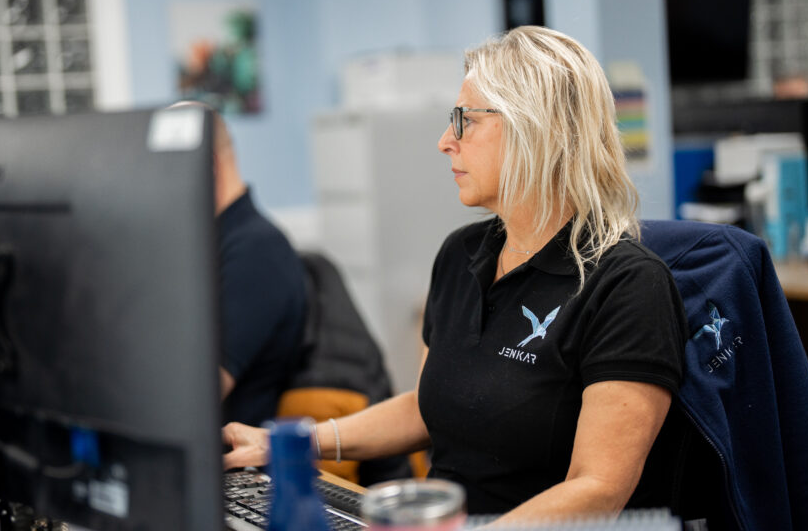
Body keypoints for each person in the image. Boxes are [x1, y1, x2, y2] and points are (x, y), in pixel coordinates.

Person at [221, 26, 689, 524]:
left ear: (537, 130)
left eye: (464, 120)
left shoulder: (628, 286)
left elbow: (598, 490)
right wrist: (289, 445)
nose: (446, 141)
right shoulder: (460, 255)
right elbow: (430, 406)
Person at [168, 101, 307, 427]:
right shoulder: (208, 242)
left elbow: (190, 395)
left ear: (206, 167)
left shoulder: (257, 251)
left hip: (235, 462)